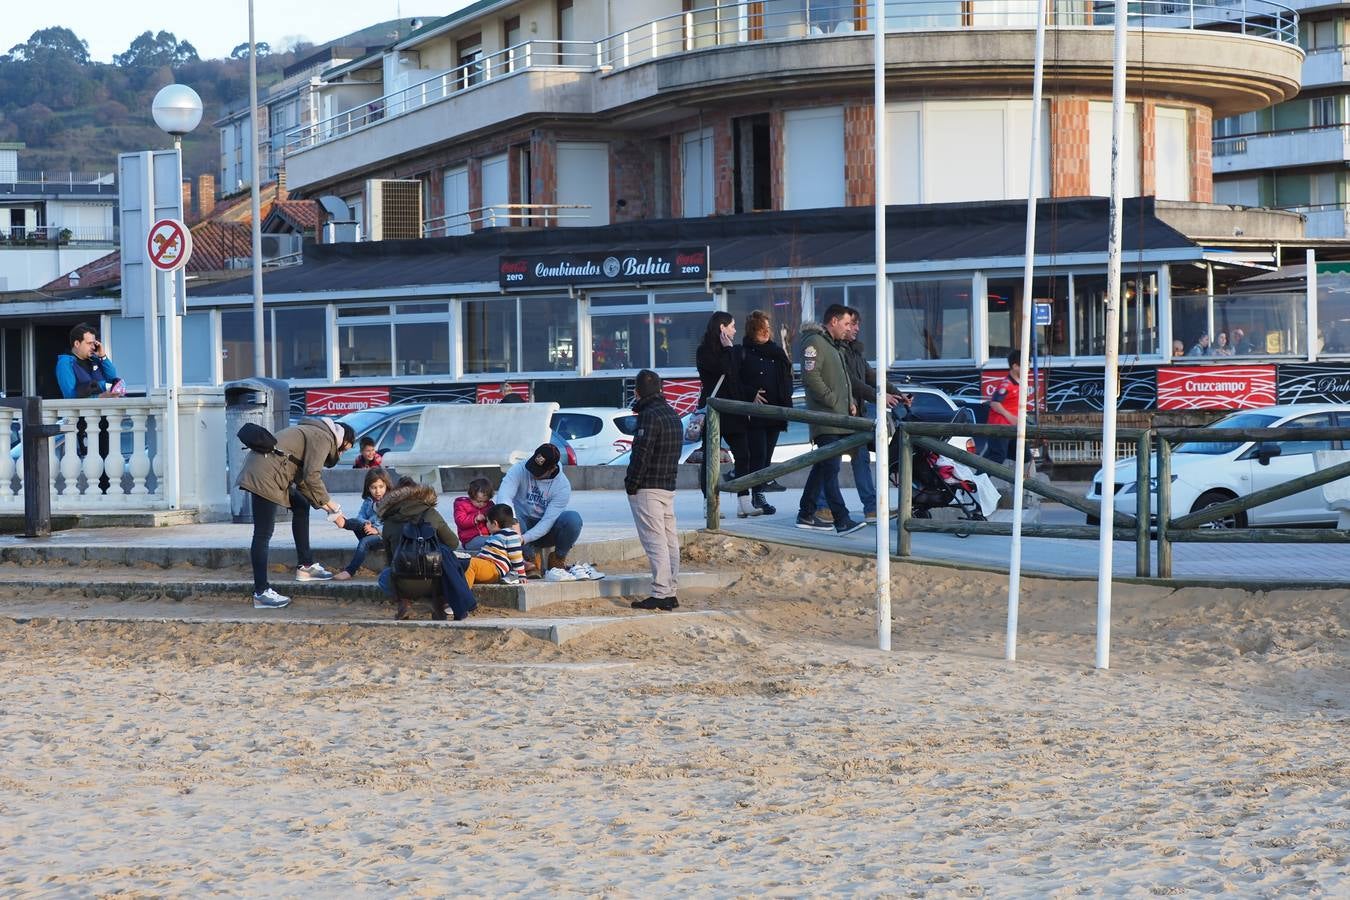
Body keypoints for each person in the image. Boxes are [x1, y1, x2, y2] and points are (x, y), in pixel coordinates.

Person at [237, 416, 355, 609]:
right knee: (263, 533)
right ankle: (261, 592)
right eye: (345, 450)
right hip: (265, 475)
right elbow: (312, 477)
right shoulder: (324, 437)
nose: (341, 455)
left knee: (300, 505)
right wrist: (331, 504)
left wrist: (331, 511)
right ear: (344, 440)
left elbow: (303, 481)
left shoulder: (314, 431)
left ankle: (306, 567)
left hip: (266, 469)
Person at [815, 306, 908, 524]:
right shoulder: (835, 350)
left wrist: (898, 394)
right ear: (837, 323)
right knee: (830, 461)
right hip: (839, 415)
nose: (855, 328)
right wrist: (879, 397)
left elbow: (871, 376)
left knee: (860, 458)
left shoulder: (854, 352)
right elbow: (852, 383)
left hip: (855, 415)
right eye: (851, 324)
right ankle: (820, 506)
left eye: (855, 324)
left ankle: (871, 507)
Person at [794, 305, 865, 535]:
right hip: (825, 418)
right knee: (831, 467)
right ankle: (841, 519)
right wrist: (833, 400)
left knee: (822, 466)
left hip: (837, 417)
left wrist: (849, 402)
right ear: (833, 321)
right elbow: (811, 376)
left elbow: (844, 380)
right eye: (845, 324)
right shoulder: (814, 342)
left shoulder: (834, 346)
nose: (848, 329)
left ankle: (806, 512)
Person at [497, 442, 600, 581]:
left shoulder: (562, 486)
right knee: (508, 515)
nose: (533, 473)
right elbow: (504, 496)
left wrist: (524, 538)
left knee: (573, 519)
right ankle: (529, 561)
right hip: (520, 525)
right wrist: (513, 522)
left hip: (546, 530)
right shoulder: (519, 468)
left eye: (539, 472)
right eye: (532, 468)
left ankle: (557, 559)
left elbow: (547, 522)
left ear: (552, 469)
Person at [376, 476, 475, 620]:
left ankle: (405, 602)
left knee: (384, 576)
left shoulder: (389, 520)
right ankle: (438, 602)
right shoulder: (430, 513)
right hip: (435, 579)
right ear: (419, 493)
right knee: (452, 562)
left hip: (403, 582)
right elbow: (453, 543)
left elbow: (390, 558)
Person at [625, 369, 683, 611]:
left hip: (648, 487)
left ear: (638, 392)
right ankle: (670, 591)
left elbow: (641, 453)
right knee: (670, 541)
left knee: (655, 541)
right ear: (660, 389)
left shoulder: (649, 416)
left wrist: (631, 483)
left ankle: (660, 592)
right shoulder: (673, 414)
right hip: (668, 486)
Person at [695, 311, 757, 518]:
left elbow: (738, 378)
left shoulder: (736, 350)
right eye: (732, 325)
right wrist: (728, 351)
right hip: (713, 410)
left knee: (743, 455)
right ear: (722, 327)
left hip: (734, 410)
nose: (735, 329)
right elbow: (722, 369)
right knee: (710, 459)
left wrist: (751, 395)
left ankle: (744, 501)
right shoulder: (704, 352)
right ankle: (709, 503)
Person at [739, 310, 793, 513]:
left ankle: (759, 491)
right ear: (753, 330)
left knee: (767, 455)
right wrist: (750, 393)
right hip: (754, 414)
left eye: (768, 328)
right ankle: (756, 494)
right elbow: (735, 382)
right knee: (758, 454)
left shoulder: (776, 352)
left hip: (775, 411)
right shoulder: (743, 352)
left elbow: (787, 377)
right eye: (762, 328)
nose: (766, 332)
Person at [334, 467, 392, 581]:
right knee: (356, 522)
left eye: (381, 487)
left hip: (382, 537)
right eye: (373, 488)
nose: (377, 491)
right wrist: (366, 523)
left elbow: (392, 523)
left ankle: (349, 571)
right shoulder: (368, 501)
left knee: (364, 542)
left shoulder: (391, 502)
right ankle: (343, 522)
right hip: (368, 530)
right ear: (368, 488)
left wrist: (376, 530)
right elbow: (360, 516)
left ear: (387, 486)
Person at [462, 503, 526, 588]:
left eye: (487, 521)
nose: (486, 524)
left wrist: (521, 574)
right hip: (485, 566)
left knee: (470, 564)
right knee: (461, 563)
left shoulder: (510, 534)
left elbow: (516, 556)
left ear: (494, 523)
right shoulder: (495, 536)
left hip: (494, 569)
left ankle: (463, 597)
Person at [56, 322, 122, 399]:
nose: (93, 347)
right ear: (77, 343)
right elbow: (70, 396)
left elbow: (111, 379)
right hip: (85, 410)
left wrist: (103, 356)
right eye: (89, 343)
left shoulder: (95, 360)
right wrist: (100, 396)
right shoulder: (65, 363)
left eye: (94, 343)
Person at [984, 350, 1022, 467]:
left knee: (1024, 456)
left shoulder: (1019, 383)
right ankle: (977, 480)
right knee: (998, 456)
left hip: (1011, 427)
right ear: (1015, 366)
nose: (1029, 369)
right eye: (1026, 366)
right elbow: (995, 403)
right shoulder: (1006, 385)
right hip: (1000, 426)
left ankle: (1019, 482)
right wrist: (1010, 417)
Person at [453, 477, 495, 552]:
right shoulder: (462, 505)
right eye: (479, 501)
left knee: (501, 539)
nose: (482, 504)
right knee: (495, 542)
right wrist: (475, 519)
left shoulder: (490, 505)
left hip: (488, 536)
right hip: (470, 540)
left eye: (485, 501)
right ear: (470, 497)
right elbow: (460, 521)